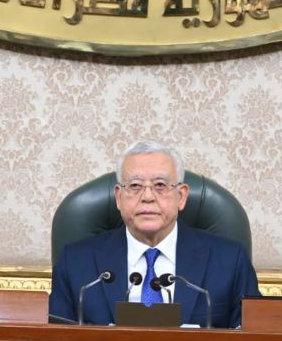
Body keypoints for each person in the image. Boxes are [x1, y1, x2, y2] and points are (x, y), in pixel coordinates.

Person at [48, 140, 261, 328]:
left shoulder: (230, 261)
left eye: (160, 185)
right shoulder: (75, 263)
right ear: (119, 197)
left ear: (181, 196)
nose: (148, 196)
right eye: (135, 186)